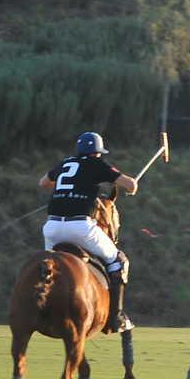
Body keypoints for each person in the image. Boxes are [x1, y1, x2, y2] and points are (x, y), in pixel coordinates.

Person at [40, 131, 138, 334]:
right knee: (118, 261)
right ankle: (116, 317)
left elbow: (43, 183)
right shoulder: (97, 164)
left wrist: (65, 188)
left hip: (52, 228)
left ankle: (43, 309)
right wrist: (131, 187)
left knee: (47, 268)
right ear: (97, 152)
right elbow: (130, 184)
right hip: (80, 227)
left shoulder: (66, 163)